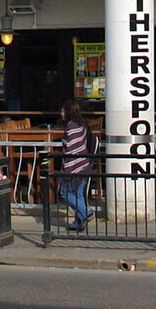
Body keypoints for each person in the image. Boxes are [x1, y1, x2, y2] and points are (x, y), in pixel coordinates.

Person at [57, 99, 94, 234]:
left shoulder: (71, 129)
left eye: (62, 111)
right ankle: (79, 222)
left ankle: (86, 213)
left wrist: (66, 171)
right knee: (78, 194)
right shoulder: (81, 126)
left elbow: (70, 151)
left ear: (68, 112)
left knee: (64, 192)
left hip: (76, 167)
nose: (61, 113)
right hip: (84, 165)